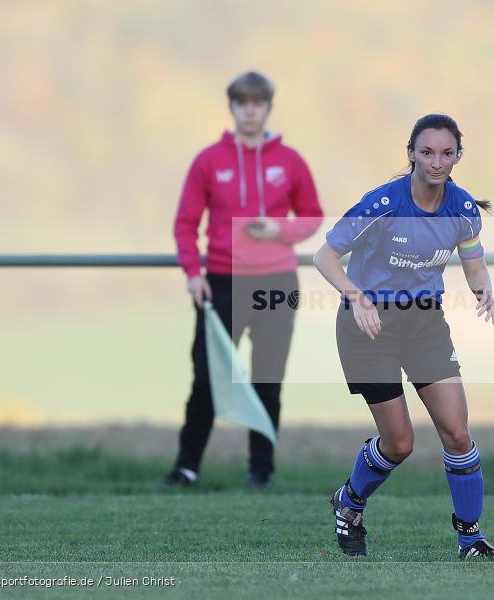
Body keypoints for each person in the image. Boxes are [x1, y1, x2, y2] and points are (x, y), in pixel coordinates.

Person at [313, 113, 494, 558]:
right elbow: (325, 256)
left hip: (424, 325)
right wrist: (356, 296)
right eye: (427, 152)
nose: (437, 162)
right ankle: (350, 502)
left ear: (458, 157)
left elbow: (472, 260)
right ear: (411, 153)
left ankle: (469, 539)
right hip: (368, 326)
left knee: (457, 432)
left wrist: (483, 286)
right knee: (400, 444)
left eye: (447, 153)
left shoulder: (464, 209)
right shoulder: (383, 205)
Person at [165, 70, 323, 488]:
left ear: (269, 108)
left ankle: (261, 472)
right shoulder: (208, 161)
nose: (250, 111)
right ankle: (186, 468)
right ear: (232, 107)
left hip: (277, 283)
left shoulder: (290, 161)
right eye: (242, 103)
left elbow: (311, 216)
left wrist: (279, 231)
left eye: (258, 104)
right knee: (207, 378)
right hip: (221, 283)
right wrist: (192, 274)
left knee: (267, 381)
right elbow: (185, 224)